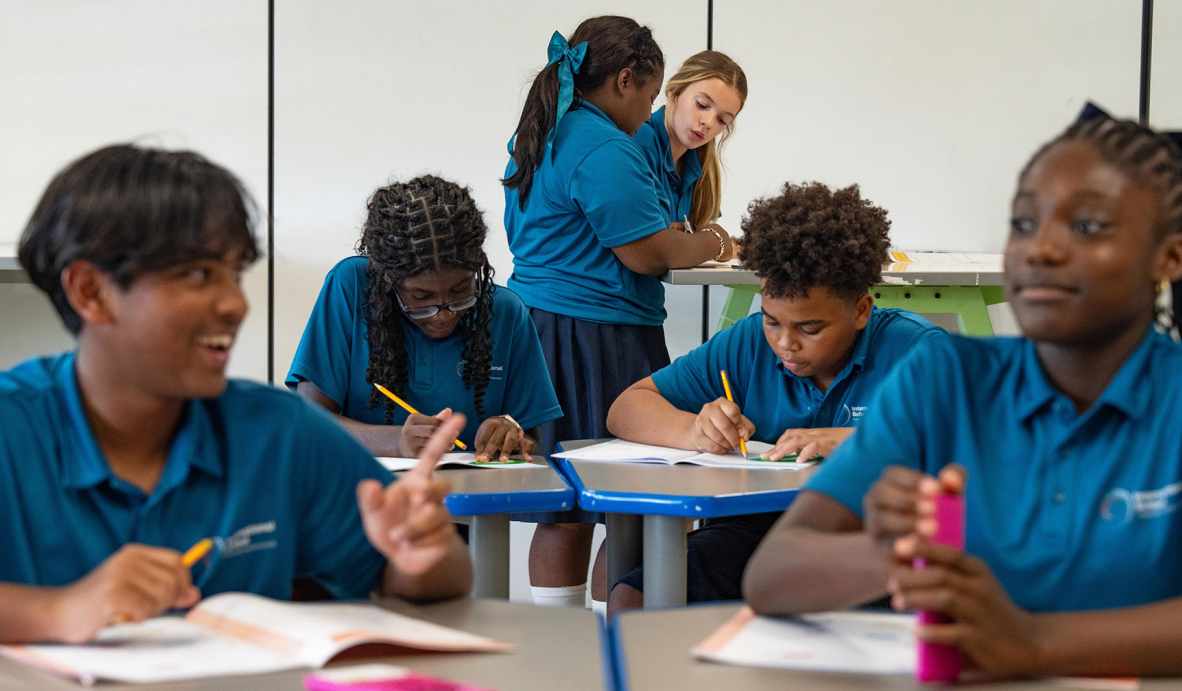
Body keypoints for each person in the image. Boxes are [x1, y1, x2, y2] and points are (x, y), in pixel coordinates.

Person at [744, 116, 1182, 677]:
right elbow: (773, 575)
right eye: (1024, 222)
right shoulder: (945, 380)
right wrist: (900, 548)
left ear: (1167, 257)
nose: (1040, 248)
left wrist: (1036, 644)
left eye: (1088, 226)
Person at [0, 145, 472, 644]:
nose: (235, 304)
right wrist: (56, 613)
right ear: (91, 292)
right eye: (198, 275)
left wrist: (425, 552)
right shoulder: (13, 427)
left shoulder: (277, 433)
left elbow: (445, 580)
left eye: (235, 273)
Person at [605, 181, 944, 616]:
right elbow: (626, 408)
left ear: (861, 310)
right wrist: (694, 430)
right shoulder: (748, 344)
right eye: (772, 321)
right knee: (636, 596)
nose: (785, 344)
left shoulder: (916, 352)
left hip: (868, 543)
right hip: (757, 535)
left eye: (810, 328)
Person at [502, 16, 736, 608]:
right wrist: (714, 244)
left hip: (550, 328)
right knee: (615, 504)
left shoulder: (555, 126)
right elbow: (649, 251)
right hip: (591, 332)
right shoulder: (603, 144)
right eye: (653, 97)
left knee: (568, 504)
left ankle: (565, 646)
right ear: (626, 79)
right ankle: (609, 650)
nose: (649, 113)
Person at [288, 175, 561, 462]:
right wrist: (397, 442)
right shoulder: (352, 287)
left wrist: (510, 435)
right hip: (363, 493)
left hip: (470, 498)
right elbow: (309, 423)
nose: (444, 314)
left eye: (460, 291)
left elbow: (533, 440)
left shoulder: (506, 313)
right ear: (388, 280)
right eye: (420, 298)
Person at [633, 50, 746, 233]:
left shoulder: (704, 167)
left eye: (722, 120)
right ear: (673, 91)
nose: (707, 123)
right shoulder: (639, 140)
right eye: (701, 104)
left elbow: (714, 238)